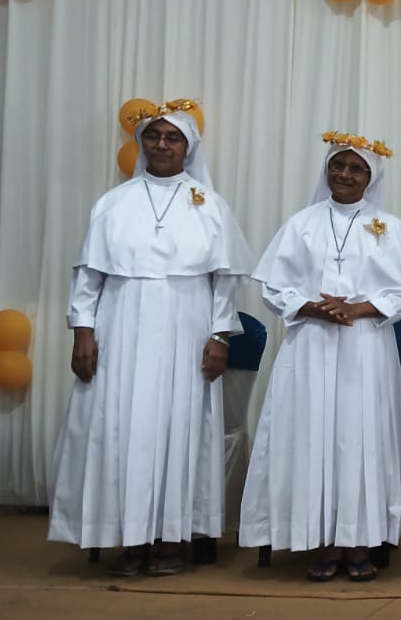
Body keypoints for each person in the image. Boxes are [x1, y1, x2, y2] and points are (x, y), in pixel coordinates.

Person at [48, 100, 253, 576]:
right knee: (119, 427)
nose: (162, 144)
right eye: (154, 136)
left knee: (178, 425)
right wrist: (82, 331)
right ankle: (129, 537)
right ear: (142, 143)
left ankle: (172, 537)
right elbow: (89, 276)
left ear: (187, 147)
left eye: (172, 137)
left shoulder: (209, 204)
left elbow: (225, 281)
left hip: (187, 324)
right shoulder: (113, 203)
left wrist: (220, 336)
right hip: (121, 322)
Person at [237, 132, 401, 581]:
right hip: (309, 344)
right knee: (312, 435)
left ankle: (358, 541)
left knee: (362, 438)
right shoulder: (301, 223)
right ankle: (321, 539)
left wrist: (358, 309)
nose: (345, 174)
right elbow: (273, 287)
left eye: (356, 168)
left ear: (371, 176)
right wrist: (311, 307)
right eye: (338, 165)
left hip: (366, 347)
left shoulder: (390, 228)